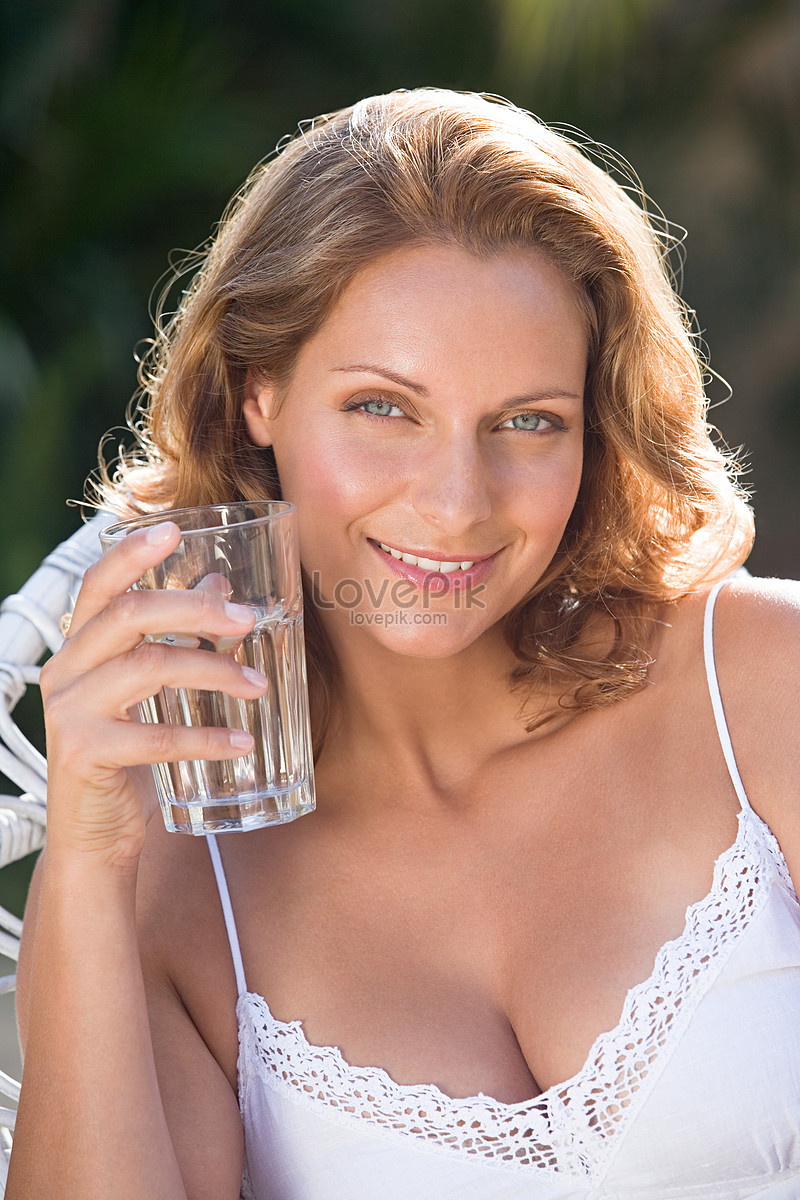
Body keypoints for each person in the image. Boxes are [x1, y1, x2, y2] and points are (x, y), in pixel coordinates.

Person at [7, 88, 800, 1199]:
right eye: (384, 408)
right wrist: (87, 860)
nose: (455, 504)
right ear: (258, 395)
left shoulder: (759, 687)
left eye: (529, 421)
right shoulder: (180, 895)